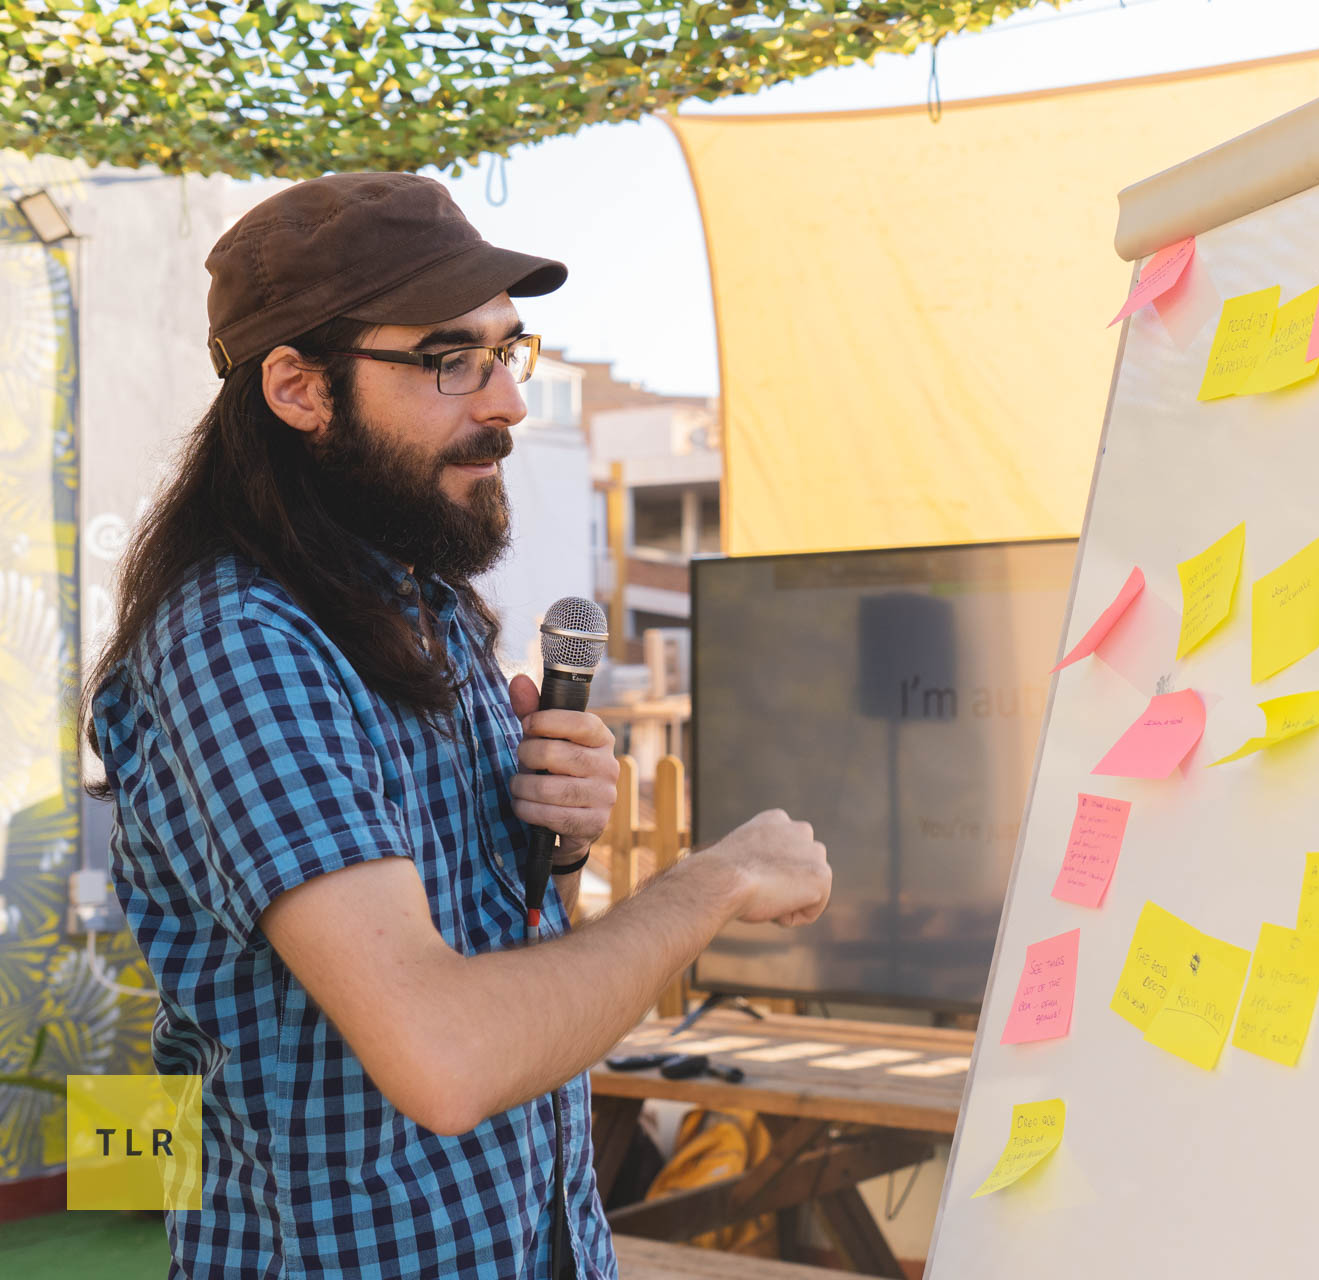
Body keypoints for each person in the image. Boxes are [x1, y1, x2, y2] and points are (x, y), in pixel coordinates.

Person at [80, 172, 832, 1280]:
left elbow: (503, 958)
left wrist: (556, 847)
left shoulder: (425, 607)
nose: (507, 403)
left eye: (506, 351)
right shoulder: (241, 640)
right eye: (448, 360)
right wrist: (709, 883)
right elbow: (444, 1050)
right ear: (299, 388)